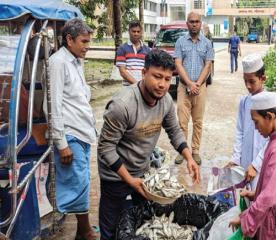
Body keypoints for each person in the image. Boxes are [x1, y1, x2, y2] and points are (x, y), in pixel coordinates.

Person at [97, 49, 200, 239]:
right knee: (111, 229)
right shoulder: (122, 105)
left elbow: (175, 131)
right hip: (115, 176)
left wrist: (188, 157)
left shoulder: (166, 101)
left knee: (140, 223)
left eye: (167, 79)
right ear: (144, 74)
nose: (162, 85)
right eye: (157, 77)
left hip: (142, 174)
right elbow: (106, 148)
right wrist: (129, 180)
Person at [43, 18, 98, 240]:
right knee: (78, 184)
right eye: (84, 41)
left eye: (89, 41)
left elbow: (80, 96)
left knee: (81, 182)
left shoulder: (76, 61)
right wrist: (61, 143)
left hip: (82, 132)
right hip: (70, 134)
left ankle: (81, 231)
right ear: (69, 39)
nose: (87, 46)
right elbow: (52, 105)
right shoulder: (58, 63)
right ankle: (84, 231)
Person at [229, 92, 276, 240]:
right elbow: (274, 185)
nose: (255, 127)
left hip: (275, 228)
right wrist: (255, 193)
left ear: (270, 117)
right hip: (272, 219)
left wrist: (245, 219)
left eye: (256, 122)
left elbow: (271, 196)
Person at [174, 12, 214, 165]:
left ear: (200, 23)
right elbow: (178, 63)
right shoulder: (180, 42)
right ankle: (182, 151)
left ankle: (195, 151)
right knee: (182, 122)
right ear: (187, 23)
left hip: (200, 88)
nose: (194, 24)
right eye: (191, 21)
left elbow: (208, 65)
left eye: (197, 21)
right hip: (184, 88)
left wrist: (197, 84)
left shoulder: (207, 43)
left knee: (198, 122)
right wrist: (189, 84)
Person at [225, 54, 268, 190]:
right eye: (245, 81)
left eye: (252, 81)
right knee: (244, 196)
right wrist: (236, 158)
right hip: (245, 160)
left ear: (263, 78)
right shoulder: (244, 102)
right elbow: (240, 131)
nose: (248, 86)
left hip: (262, 162)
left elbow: (272, 139)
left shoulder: (270, 103)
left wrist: (256, 164)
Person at [116, 20, 151, 86]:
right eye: (133, 31)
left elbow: (149, 70)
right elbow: (122, 71)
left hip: (144, 87)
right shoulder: (122, 48)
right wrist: (137, 84)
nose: (136, 34)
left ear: (141, 32)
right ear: (129, 32)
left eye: (138, 31)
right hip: (128, 87)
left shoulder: (147, 50)